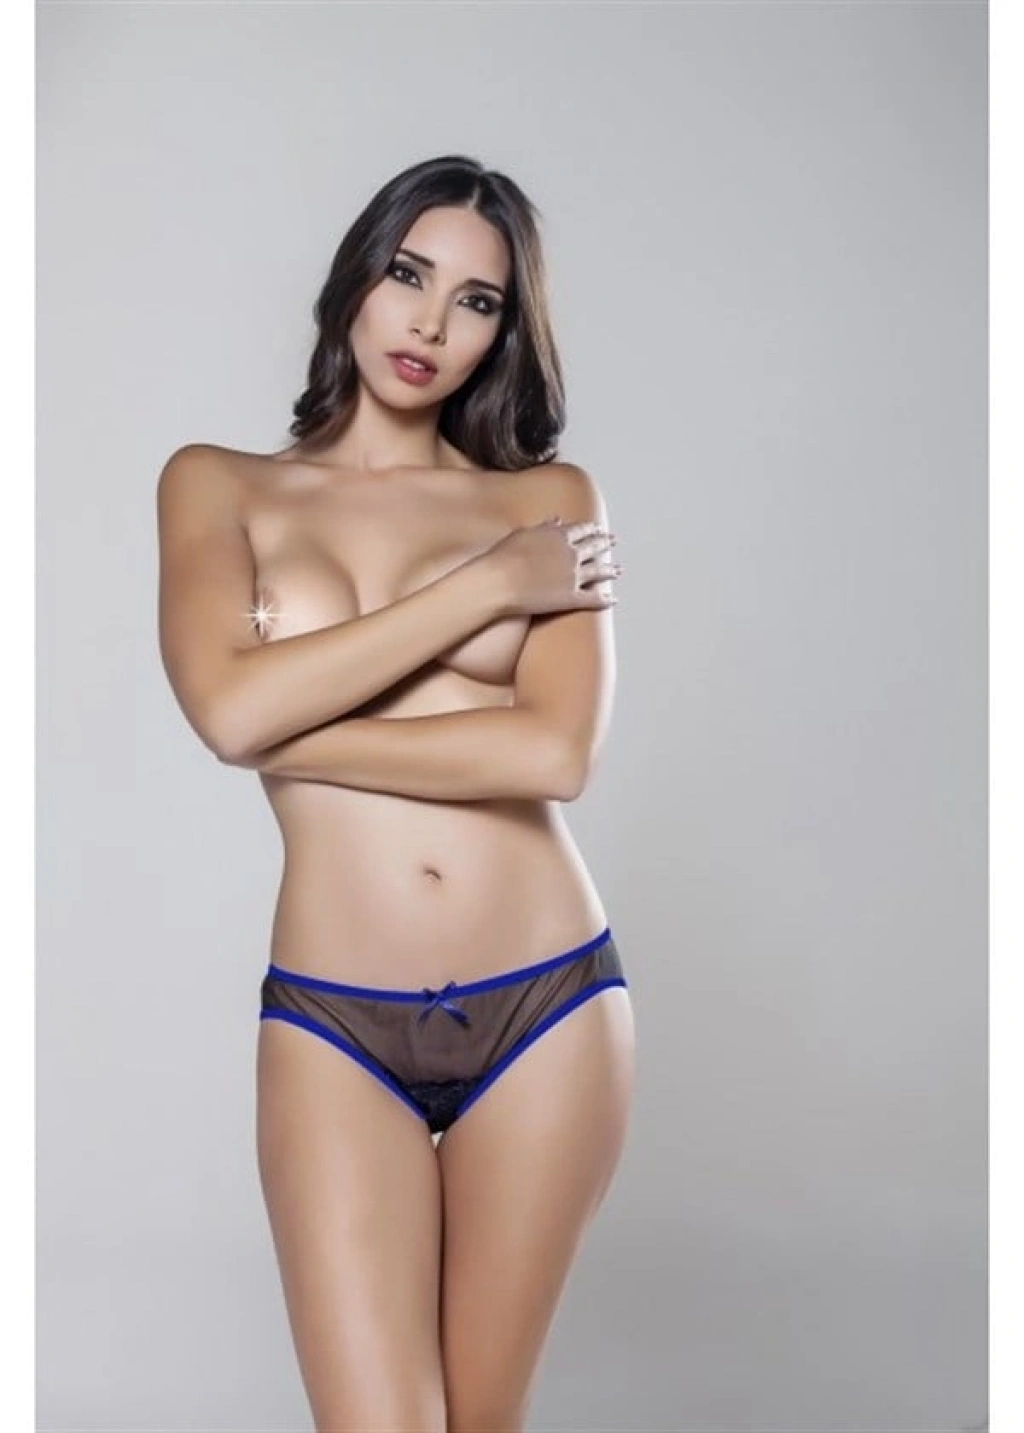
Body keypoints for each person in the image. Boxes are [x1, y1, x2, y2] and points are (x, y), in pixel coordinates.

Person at [156, 153, 635, 1432]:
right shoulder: (216, 484)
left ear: (502, 332)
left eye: (476, 301)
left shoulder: (548, 502)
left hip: (547, 999)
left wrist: (292, 719)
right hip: (335, 1016)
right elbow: (225, 708)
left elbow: (554, 756)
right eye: (409, 275)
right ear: (356, 280)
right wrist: (485, 589)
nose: (430, 323)